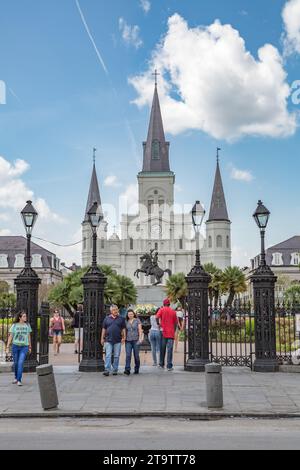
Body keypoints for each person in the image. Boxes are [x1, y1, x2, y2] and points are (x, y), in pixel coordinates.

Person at [6, 311, 32, 386]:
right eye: (24, 316)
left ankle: (19, 380)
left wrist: (30, 346)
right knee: (16, 363)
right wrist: (7, 347)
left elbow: (29, 336)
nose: (25, 317)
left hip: (24, 347)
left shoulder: (27, 325)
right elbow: (11, 336)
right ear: (20, 317)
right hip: (15, 346)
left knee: (20, 363)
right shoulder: (14, 325)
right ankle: (16, 377)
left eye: (25, 316)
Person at [101, 305, 126, 376]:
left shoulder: (121, 319)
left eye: (117, 309)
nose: (116, 311)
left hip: (118, 340)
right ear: (111, 311)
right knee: (108, 355)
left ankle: (115, 369)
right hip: (108, 340)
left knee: (116, 356)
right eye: (114, 310)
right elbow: (104, 329)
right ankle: (107, 370)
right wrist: (102, 338)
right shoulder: (106, 319)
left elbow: (123, 329)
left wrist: (124, 337)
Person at [156, 298, 179, 371]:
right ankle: (169, 366)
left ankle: (161, 364)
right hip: (171, 333)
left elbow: (157, 317)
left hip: (163, 332)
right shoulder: (173, 311)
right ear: (169, 304)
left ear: (163, 304)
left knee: (162, 349)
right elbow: (176, 322)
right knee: (170, 350)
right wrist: (174, 330)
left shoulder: (161, 310)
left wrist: (158, 324)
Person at [124, 309, 143, 375]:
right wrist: (123, 338)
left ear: (133, 314)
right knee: (128, 355)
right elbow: (124, 330)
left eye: (131, 314)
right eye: (129, 314)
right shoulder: (126, 321)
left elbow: (140, 330)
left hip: (136, 340)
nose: (130, 315)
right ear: (127, 315)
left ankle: (137, 368)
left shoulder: (137, 320)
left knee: (136, 356)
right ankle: (127, 369)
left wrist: (140, 338)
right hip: (128, 340)